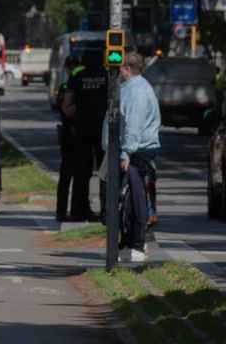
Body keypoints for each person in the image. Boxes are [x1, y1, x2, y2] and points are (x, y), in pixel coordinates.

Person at [105, 51, 161, 263]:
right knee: (126, 198)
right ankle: (129, 242)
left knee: (134, 199)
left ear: (126, 69)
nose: (116, 72)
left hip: (136, 151)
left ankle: (136, 243)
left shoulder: (137, 92)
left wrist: (126, 152)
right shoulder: (133, 88)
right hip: (132, 149)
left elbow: (134, 125)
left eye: (119, 68)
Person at [56, 51, 106, 222]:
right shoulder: (108, 77)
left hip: (81, 131)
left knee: (81, 173)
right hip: (103, 131)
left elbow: (67, 106)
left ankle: (79, 211)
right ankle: (106, 210)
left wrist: (79, 118)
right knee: (105, 172)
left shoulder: (77, 78)